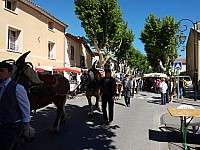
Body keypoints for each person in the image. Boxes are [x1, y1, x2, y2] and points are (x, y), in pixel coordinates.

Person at [0, 62, 31, 150]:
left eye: (1, 71)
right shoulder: (1, 85)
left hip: (12, 124)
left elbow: (25, 106)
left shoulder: (18, 88)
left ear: (10, 73)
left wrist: (26, 123)